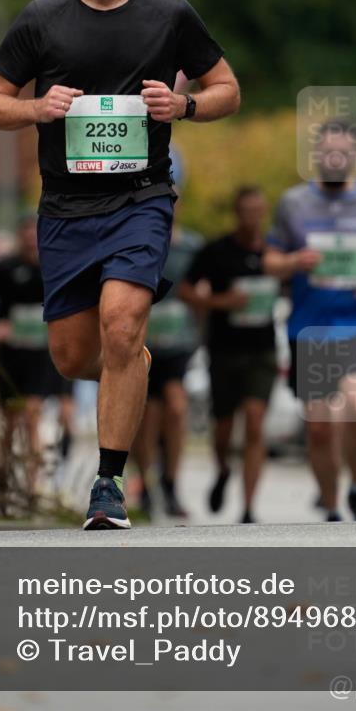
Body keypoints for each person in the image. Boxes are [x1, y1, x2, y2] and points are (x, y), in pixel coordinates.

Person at [0, 0, 240, 529]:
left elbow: (227, 89)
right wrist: (38, 109)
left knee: (122, 326)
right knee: (73, 356)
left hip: (141, 200)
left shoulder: (169, 15)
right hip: (66, 209)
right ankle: (131, 367)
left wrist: (184, 109)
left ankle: (108, 484)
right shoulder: (41, 20)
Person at [264, 121, 356, 522]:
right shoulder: (293, 204)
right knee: (321, 427)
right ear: (317, 156)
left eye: (343, 152)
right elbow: (270, 262)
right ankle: (330, 505)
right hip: (309, 328)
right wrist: (293, 262)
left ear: (354, 157)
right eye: (329, 152)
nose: (335, 159)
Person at [179, 187, 279, 523]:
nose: (252, 216)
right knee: (223, 429)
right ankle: (222, 469)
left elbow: (293, 282)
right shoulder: (216, 251)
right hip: (224, 349)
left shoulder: (274, 252)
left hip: (263, 349)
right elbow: (185, 290)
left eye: (258, 210)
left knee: (254, 423)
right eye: (246, 210)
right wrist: (220, 303)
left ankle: (249, 507)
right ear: (237, 213)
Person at [0, 214, 74, 503]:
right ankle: (2, 476)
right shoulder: (4, 269)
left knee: (33, 412)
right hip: (11, 356)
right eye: (26, 233)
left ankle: (32, 485)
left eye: (35, 233)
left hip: (42, 355)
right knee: (10, 419)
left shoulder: (57, 268)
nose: (30, 239)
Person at [132, 208, 204, 518]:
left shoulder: (192, 246)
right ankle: (147, 485)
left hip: (178, 341)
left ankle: (171, 483)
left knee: (176, 407)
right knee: (147, 415)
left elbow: (205, 288)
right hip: (141, 339)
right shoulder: (135, 240)